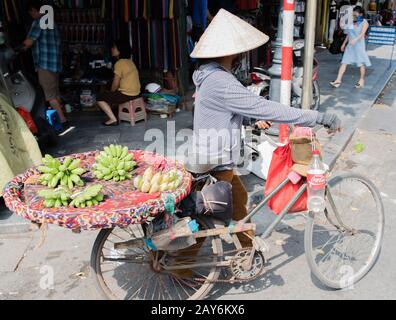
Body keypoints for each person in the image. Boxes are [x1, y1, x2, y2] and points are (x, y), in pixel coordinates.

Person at [189, 9, 341, 247]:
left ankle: (247, 250)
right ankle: (185, 268)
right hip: (215, 159)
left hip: (212, 155)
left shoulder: (209, 76)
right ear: (231, 52)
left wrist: (249, 120)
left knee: (239, 199)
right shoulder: (221, 80)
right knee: (206, 218)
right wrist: (318, 117)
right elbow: (264, 107)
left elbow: (224, 111)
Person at [22, 0, 68, 127]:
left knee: (49, 95)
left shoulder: (38, 22)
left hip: (45, 64)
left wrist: (19, 48)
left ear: (34, 10)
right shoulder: (52, 23)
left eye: (30, 12)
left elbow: (29, 42)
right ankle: (62, 117)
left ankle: (63, 121)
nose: (31, 15)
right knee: (55, 93)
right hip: (55, 64)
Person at [96, 40, 141, 126]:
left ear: (120, 50)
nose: (112, 49)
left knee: (99, 97)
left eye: (114, 48)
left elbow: (115, 84)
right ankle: (114, 111)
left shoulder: (119, 63)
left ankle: (113, 119)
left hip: (127, 94)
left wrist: (111, 92)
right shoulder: (130, 61)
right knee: (109, 91)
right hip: (136, 93)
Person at [330, 6, 371, 89]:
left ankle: (361, 80)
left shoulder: (364, 22)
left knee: (360, 64)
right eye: (353, 14)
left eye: (355, 14)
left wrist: (356, 39)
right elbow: (349, 34)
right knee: (344, 62)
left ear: (361, 14)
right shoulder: (351, 22)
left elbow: (362, 34)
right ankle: (338, 80)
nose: (354, 15)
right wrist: (344, 44)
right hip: (350, 46)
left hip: (359, 46)